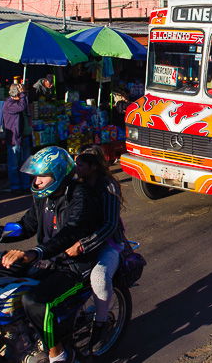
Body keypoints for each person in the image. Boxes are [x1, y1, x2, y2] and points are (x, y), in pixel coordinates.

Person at [0, 147, 101, 363]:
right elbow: (25, 225)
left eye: (42, 176)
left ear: (58, 175)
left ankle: (57, 354)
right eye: (36, 176)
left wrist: (35, 252)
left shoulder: (80, 196)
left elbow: (70, 233)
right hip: (48, 261)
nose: (37, 181)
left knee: (35, 301)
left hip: (76, 267)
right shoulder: (44, 197)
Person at [66, 145, 127, 355]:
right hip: (77, 241)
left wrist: (84, 245)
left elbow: (110, 225)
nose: (76, 167)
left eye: (80, 164)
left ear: (93, 166)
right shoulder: (75, 184)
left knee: (99, 278)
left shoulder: (108, 187)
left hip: (106, 244)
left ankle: (100, 324)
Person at [2, 84, 30, 192]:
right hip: (14, 138)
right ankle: (15, 186)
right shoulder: (9, 104)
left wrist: (24, 95)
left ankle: (25, 184)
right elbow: (22, 106)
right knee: (14, 164)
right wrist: (23, 94)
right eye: (21, 94)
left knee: (25, 163)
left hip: (22, 136)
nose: (23, 96)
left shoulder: (19, 102)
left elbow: (24, 105)